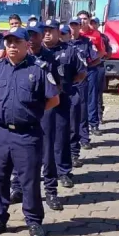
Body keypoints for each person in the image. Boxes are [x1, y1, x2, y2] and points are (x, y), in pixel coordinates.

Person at [0, 26, 59, 236]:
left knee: (29, 180)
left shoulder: (40, 69)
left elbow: (53, 100)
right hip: (1, 133)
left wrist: (28, 114)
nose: (12, 46)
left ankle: (34, 221)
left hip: (27, 135)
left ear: (28, 44)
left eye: (17, 42)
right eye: (9, 42)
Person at [9, 20, 63, 211]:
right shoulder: (19, 59)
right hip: (23, 112)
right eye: (28, 35)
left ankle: (50, 191)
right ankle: (17, 187)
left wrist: (41, 107)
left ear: (41, 36)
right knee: (18, 149)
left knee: (47, 152)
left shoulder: (50, 58)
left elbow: (57, 86)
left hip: (45, 110)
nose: (32, 39)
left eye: (35, 34)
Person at [43, 19, 86, 188]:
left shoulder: (69, 50)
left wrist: (66, 86)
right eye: (44, 30)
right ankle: (44, 170)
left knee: (61, 137)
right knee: (42, 138)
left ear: (57, 31)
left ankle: (63, 172)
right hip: (42, 102)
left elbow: (81, 73)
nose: (47, 33)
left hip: (62, 100)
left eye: (51, 30)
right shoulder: (36, 51)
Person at [68, 17, 101, 157]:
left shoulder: (86, 42)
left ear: (79, 27)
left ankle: (84, 138)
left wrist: (86, 69)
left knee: (82, 110)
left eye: (77, 25)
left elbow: (96, 57)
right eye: (72, 25)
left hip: (82, 81)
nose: (74, 28)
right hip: (68, 82)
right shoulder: (64, 42)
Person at [78, 11, 107, 135]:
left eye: (85, 18)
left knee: (92, 97)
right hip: (78, 71)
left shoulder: (96, 34)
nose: (83, 21)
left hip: (91, 69)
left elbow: (102, 52)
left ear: (89, 19)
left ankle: (94, 124)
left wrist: (91, 61)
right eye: (81, 19)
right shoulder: (75, 34)